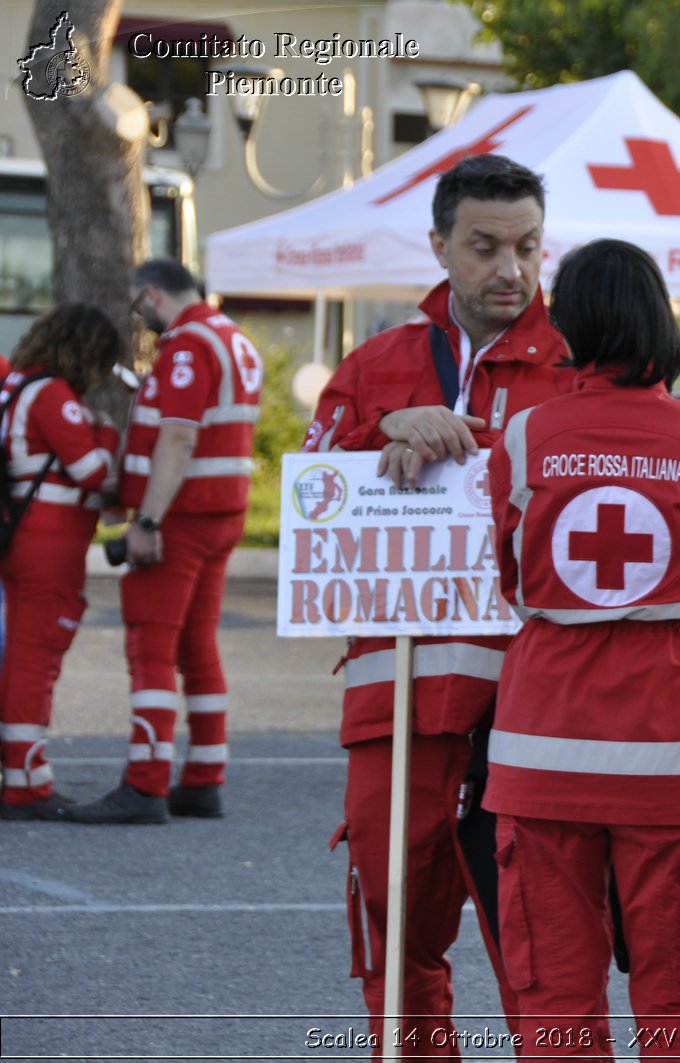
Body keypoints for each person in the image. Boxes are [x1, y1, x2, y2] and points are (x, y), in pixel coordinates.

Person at [300, 153, 573, 1056]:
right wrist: (384, 424)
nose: (511, 268)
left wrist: (478, 441)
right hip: (400, 699)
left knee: (538, 938)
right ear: (440, 246)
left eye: (528, 246)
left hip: (527, 703)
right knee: (394, 912)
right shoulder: (378, 362)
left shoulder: (579, 365)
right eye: (486, 246)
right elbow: (316, 488)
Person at [485, 239, 680, 1058]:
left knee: (555, 1000)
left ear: (568, 323)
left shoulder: (523, 438)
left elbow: (513, 577)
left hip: (544, 745)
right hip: (672, 748)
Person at [71, 261, 263, 825]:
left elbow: (179, 437)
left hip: (181, 516)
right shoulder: (232, 338)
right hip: (221, 510)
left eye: (138, 307)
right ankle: (204, 775)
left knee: (150, 647)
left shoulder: (186, 345)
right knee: (197, 646)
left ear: (152, 295)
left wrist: (146, 522)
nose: (140, 317)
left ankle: (145, 782)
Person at [0, 305, 120, 820]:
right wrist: (108, 430)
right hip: (48, 545)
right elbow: (93, 471)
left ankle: (22, 773)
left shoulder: (17, 386)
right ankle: (26, 783)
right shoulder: (51, 394)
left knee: (26, 655)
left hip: (25, 540)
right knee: (36, 658)